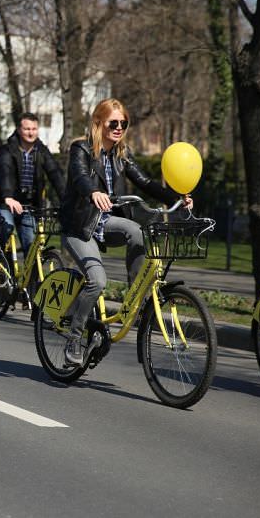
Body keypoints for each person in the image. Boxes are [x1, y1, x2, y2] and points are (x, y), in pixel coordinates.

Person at [59, 98, 189, 366]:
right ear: (99, 123)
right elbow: (80, 175)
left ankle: (137, 300)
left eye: (123, 123)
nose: (119, 127)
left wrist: (177, 196)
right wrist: (92, 191)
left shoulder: (121, 154)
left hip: (105, 223)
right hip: (80, 226)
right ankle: (74, 339)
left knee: (138, 231)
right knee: (97, 282)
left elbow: (145, 182)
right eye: (113, 123)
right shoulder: (80, 149)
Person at [0, 112, 66, 254]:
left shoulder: (41, 150)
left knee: (32, 246)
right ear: (19, 130)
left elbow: (55, 174)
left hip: (28, 205)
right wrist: (8, 196)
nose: (31, 133)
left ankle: (31, 276)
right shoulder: (7, 150)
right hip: (6, 202)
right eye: (27, 129)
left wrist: (66, 199)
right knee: (6, 228)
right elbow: (4, 172)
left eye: (34, 129)